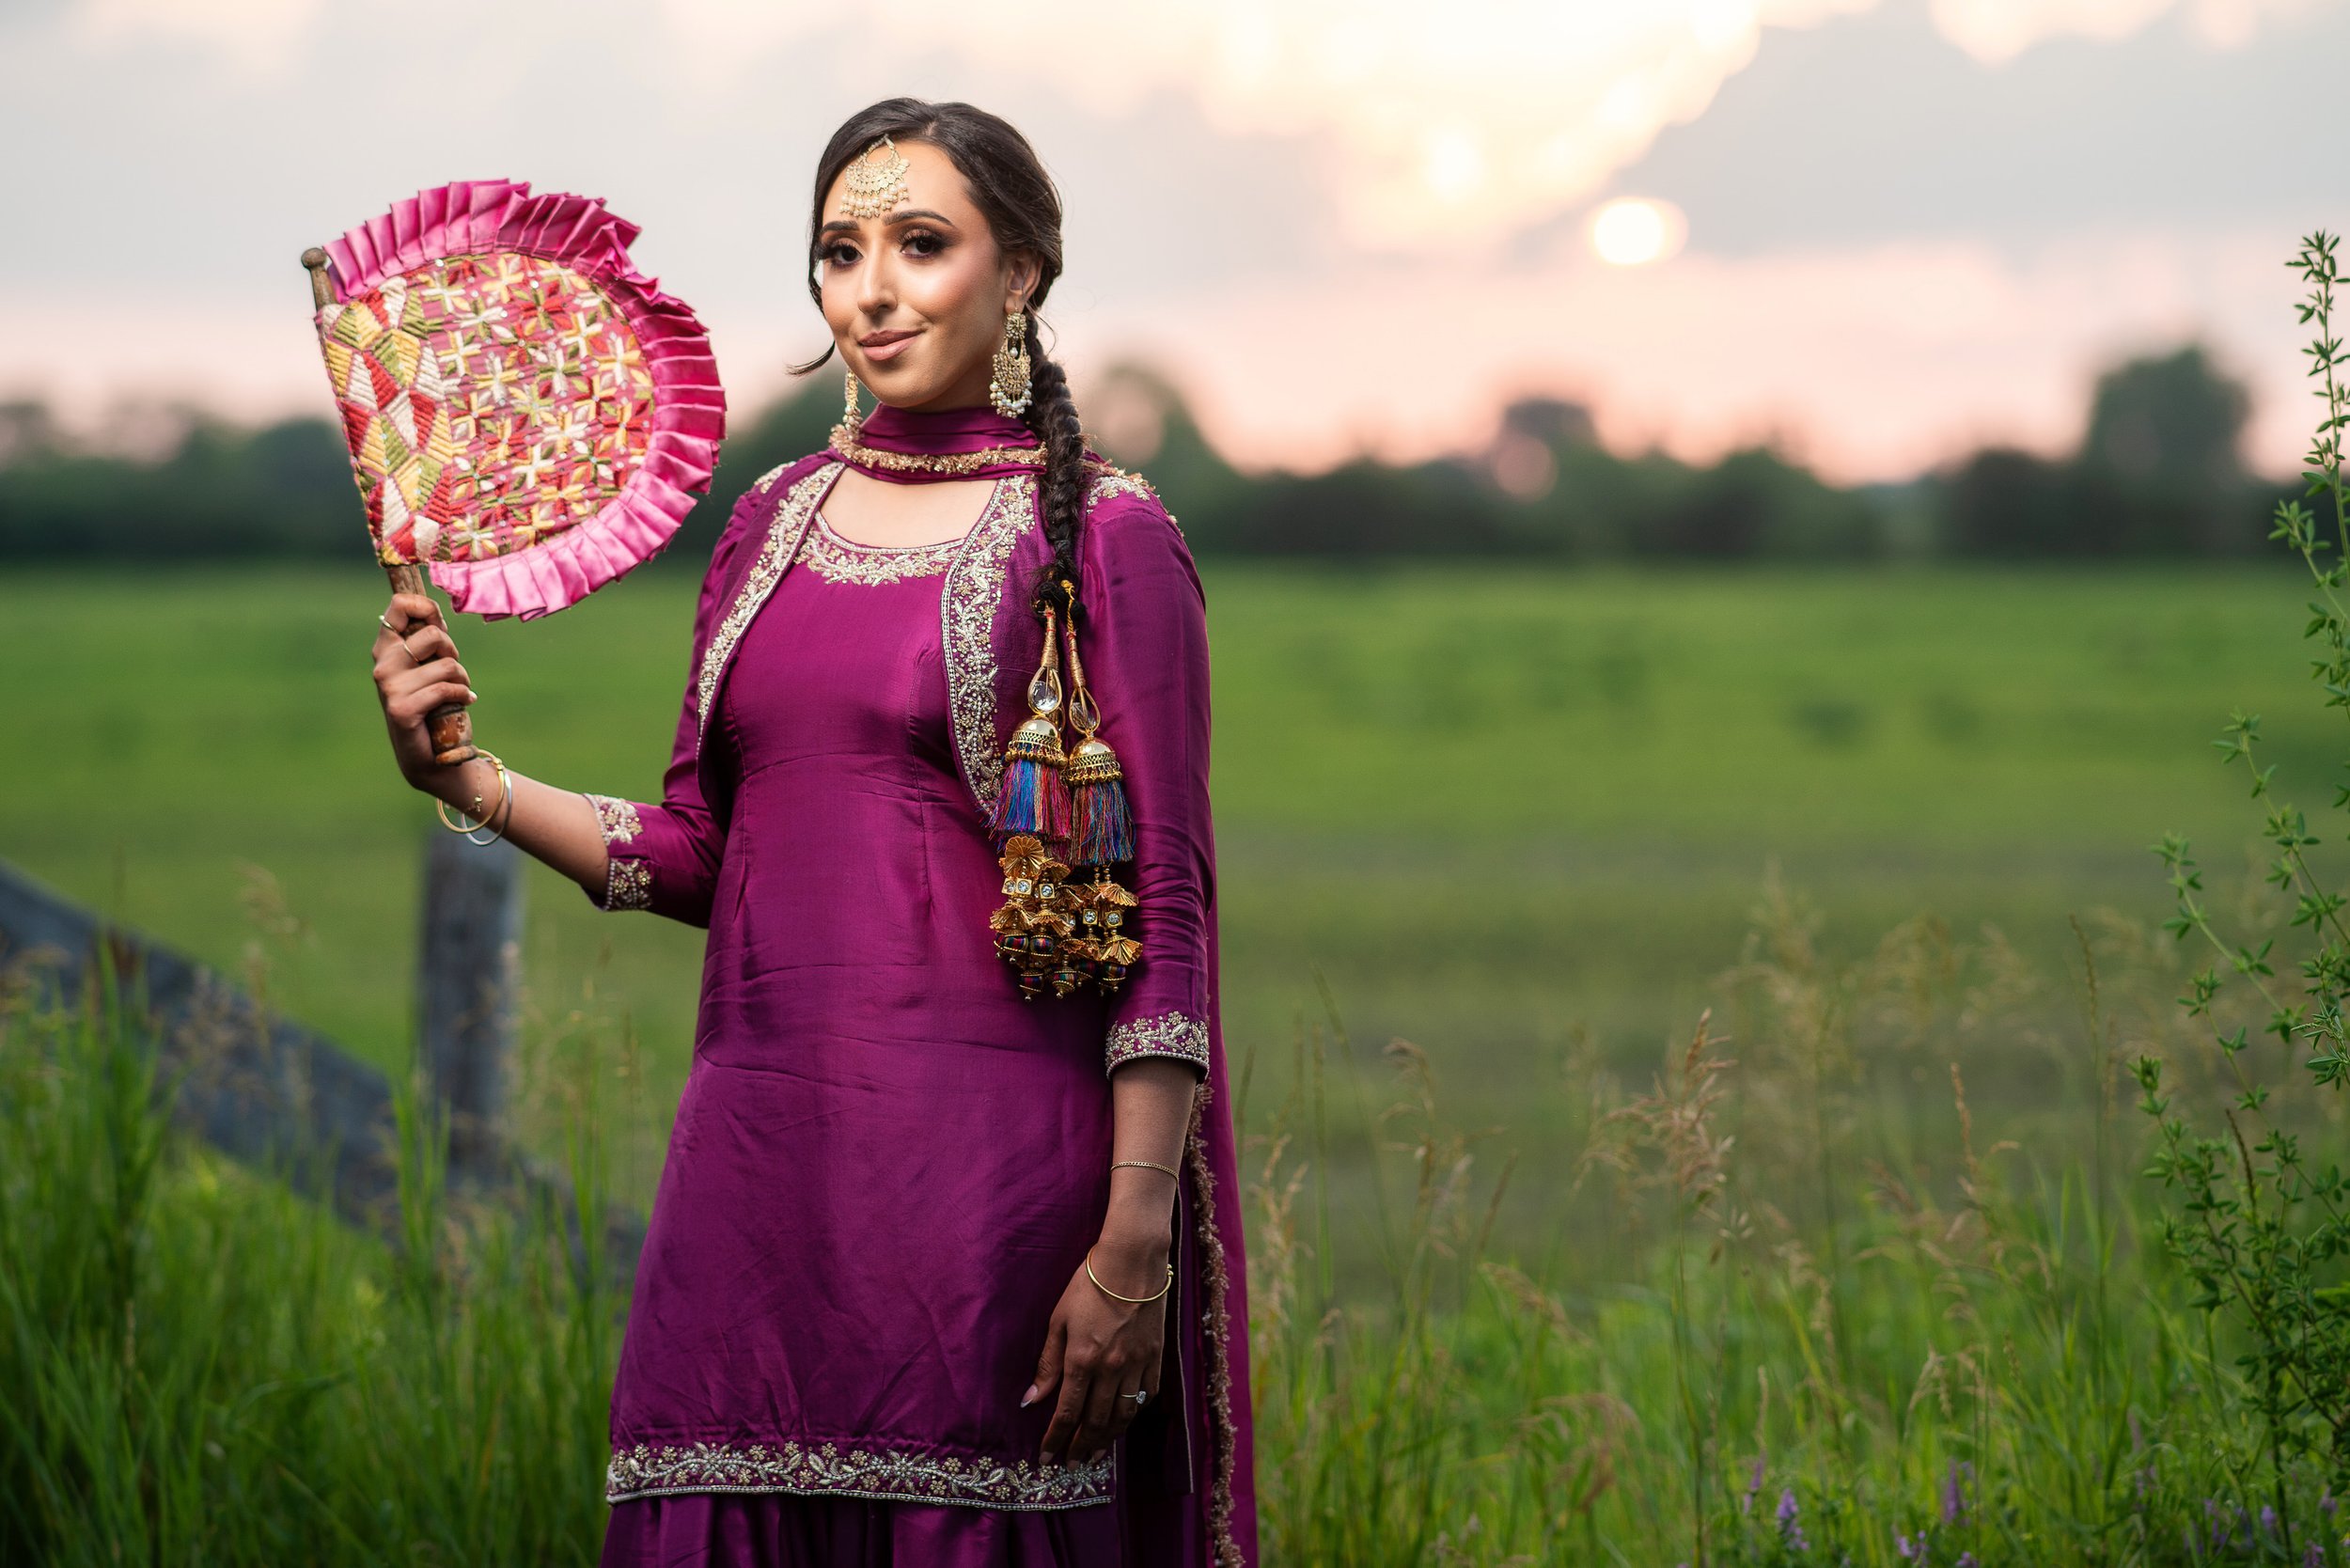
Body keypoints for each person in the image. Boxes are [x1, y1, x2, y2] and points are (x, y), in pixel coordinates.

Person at [367, 99, 1255, 1568]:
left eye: (922, 244)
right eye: (840, 252)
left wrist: (1134, 1242)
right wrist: (468, 779)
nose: (873, 289)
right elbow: (709, 854)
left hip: (993, 1208)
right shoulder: (769, 521)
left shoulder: (1105, 537)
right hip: (753, 1192)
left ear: (1022, 272)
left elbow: (1163, 908)